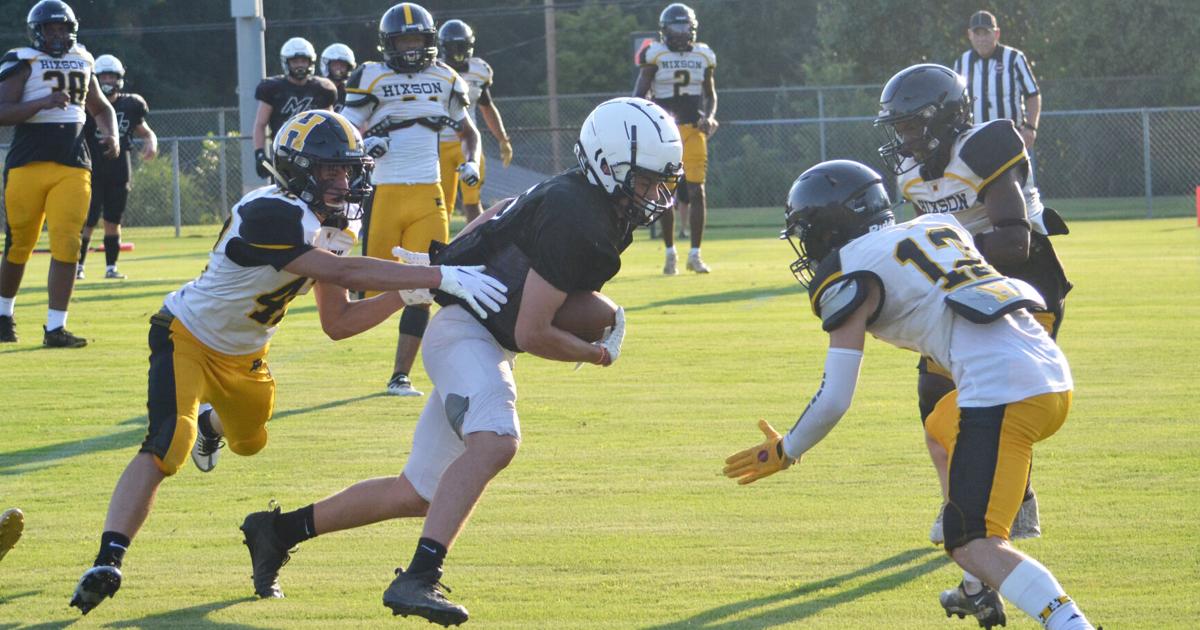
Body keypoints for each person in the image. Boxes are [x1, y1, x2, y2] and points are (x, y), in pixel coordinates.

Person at [236, 97, 681, 625]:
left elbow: (501, 210)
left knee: (419, 492)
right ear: (608, 165)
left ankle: (278, 532)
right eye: (647, 179)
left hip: (478, 331)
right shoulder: (580, 214)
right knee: (495, 441)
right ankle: (419, 577)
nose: (656, 193)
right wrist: (594, 352)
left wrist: (450, 256)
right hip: (466, 330)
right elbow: (532, 331)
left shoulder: (581, 196)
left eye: (661, 181)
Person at [67, 110, 508, 616]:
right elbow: (338, 268)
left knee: (251, 441)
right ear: (297, 170)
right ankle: (109, 558)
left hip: (246, 354)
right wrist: (434, 277)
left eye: (348, 170)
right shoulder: (270, 212)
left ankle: (215, 423)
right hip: (186, 334)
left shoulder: (337, 222)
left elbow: (337, 321)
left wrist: (406, 294)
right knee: (170, 440)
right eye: (328, 172)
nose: (342, 182)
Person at [723, 160, 1097, 630]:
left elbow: (836, 395)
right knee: (941, 428)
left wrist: (786, 449)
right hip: (1050, 372)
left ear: (826, 227)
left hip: (1004, 391)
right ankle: (977, 582)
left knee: (972, 541)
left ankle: (1070, 624)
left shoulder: (847, 268)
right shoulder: (938, 225)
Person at [874, 63, 1071, 547]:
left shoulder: (984, 147)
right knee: (933, 395)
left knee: (997, 401)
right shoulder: (909, 169)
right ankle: (958, 503)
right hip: (965, 281)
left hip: (1024, 281)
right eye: (898, 127)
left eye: (912, 125)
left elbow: (1014, 241)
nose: (905, 138)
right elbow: (930, 226)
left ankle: (1016, 500)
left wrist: (948, 254)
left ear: (944, 118)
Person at [343, 2, 482, 398]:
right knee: (370, 290)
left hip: (428, 193)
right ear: (389, 43)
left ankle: (400, 375)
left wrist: (470, 162)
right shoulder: (372, 75)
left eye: (416, 39)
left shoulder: (445, 77)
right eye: (403, 39)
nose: (409, 48)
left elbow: (468, 132)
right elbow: (345, 124)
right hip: (384, 192)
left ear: (429, 41)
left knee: (422, 284)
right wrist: (364, 143)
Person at [0, 0, 118, 348]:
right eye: (50, 29)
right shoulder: (22, 60)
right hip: (27, 164)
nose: (56, 35)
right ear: (37, 31)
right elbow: (2, 110)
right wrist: (42, 103)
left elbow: (101, 107)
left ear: (72, 29)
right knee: (20, 243)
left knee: (68, 241)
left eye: (62, 28)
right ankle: (3, 315)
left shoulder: (83, 58)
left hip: (73, 163)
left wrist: (109, 131)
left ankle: (56, 328)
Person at [634, 2, 717, 274]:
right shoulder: (654, 54)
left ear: (692, 28)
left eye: (684, 26)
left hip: (694, 129)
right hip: (665, 131)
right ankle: (670, 253)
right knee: (664, 192)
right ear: (664, 30)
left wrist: (711, 115)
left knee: (697, 191)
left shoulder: (704, 55)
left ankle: (695, 254)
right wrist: (649, 120)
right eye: (675, 27)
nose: (681, 32)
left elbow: (710, 94)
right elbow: (639, 94)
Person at [77, 54, 157, 281]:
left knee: (114, 221)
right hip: (90, 168)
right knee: (87, 221)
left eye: (113, 76)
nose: (109, 80)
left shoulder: (131, 104)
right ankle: (78, 267)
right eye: (104, 75)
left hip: (119, 169)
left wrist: (151, 142)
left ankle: (111, 268)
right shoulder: (86, 104)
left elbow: (145, 131)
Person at [436, 19, 513, 224]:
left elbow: (487, 106)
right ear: (443, 47)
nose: (457, 51)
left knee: (472, 201)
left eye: (461, 45)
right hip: (437, 144)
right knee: (441, 205)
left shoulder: (479, 70)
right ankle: (441, 251)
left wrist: (503, 139)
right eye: (453, 46)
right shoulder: (434, 71)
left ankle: (477, 246)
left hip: (468, 143)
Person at [251, 37, 337, 180]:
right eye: (295, 61)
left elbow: (331, 124)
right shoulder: (273, 89)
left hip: (316, 153)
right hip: (284, 154)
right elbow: (260, 124)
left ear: (311, 62)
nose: (300, 65)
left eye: (303, 61)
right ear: (287, 62)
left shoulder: (322, 89)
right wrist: (259, 153)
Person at [319, 42, 356, 112]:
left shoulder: (351, 93)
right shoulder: (315, 88)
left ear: (348, 68)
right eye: (335, 64)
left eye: (342, 65)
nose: (338, 68)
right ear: (327, 65)